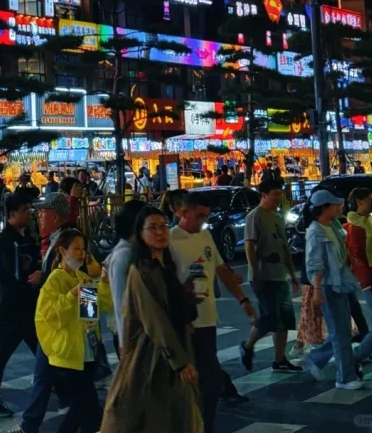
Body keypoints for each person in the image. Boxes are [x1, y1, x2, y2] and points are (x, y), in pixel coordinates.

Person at [102, 207, 201, 433]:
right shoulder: (134, 266)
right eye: (152, 228)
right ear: (139, 233)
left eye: (163, 226)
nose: (160, 232)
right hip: (150, 354)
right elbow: (149, 316)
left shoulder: (166, 266)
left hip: (168, 351)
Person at [169, 193, 257, 431]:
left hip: (206, 319)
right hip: (186, 324)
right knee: (206, 380)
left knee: (208, 379)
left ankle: (202, 424)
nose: (202, 222)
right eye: (199, 216)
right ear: (182, 212)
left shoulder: (205, 235)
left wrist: (242, 298)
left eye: (206, 217)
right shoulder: (169, 241)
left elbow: (220, 268)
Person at [35, 228, 111, 433]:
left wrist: (103, 285)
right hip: (68, 355)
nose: (81, 254)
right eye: (76, 249)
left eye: (83, 249)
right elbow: (48, 315)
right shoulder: (55, 280)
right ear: (62, 250)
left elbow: (92, 312)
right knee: (89, 408)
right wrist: (70, 296)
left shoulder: (81, 278)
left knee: (83, 410)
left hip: (86, 352)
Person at [0, 192, 42, 418]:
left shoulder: (25, 235)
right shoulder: (9, 239)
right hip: (13, 308)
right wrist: (35, 275)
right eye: (25, 210)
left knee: (43, 350)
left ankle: (61, 389)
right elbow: (13, 273)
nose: (30, 214)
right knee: (0, 354)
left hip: (26, 307)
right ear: (13, 213)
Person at [304, 189, 367, 389]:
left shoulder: (333, 225)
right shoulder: (315, 231)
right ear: (325, 208)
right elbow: (315, 263)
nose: (339, 207)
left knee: (341, 332)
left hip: (342, 283)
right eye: (335, 205)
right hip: (329, 286)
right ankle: (345, 377)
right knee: (340, 333)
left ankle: (317, 358)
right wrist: (317, 290)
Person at [240, 178, 302, 373]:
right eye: (274, 193)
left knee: (284, 319)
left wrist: (292, 274)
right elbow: (249, 244)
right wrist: (254, 269)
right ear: (264, 195)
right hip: (263, 274)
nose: (278, 197)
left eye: (280, 193)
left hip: (279, 274)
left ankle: (279, 359)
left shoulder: (276, 217)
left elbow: (284, 247)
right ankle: (248, 345)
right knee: (270, 318)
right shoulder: (255, 216)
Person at [346, 187, 372, 360]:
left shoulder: (369, 222)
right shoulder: (357, 226)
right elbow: (358, 255)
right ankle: (355, 356)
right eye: (369, 198)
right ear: (359, 201)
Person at [105, 199, 146, 355]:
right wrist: (124, 340)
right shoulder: (123, 256)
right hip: (130, 336)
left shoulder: (135, 251)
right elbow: (120, 301)